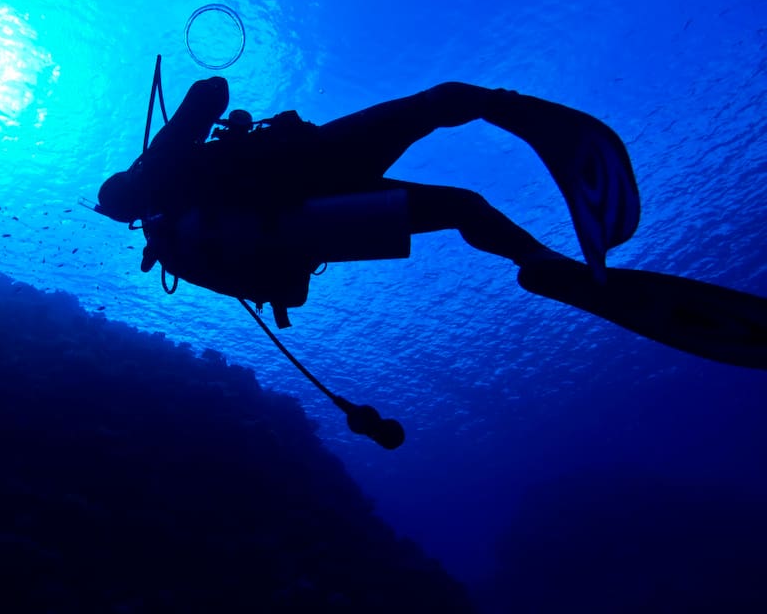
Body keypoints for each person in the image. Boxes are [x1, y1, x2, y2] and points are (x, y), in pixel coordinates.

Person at [96, 73, 767, 376]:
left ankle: (545, 267)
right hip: (310, 170)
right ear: (127, 188)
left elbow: (282, 290)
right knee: (448, 102)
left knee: (462, 209)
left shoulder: (173, 235)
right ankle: (529, 140)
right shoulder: (160, 167)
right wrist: (181, 129)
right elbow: (213, 89)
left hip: (312, 228)